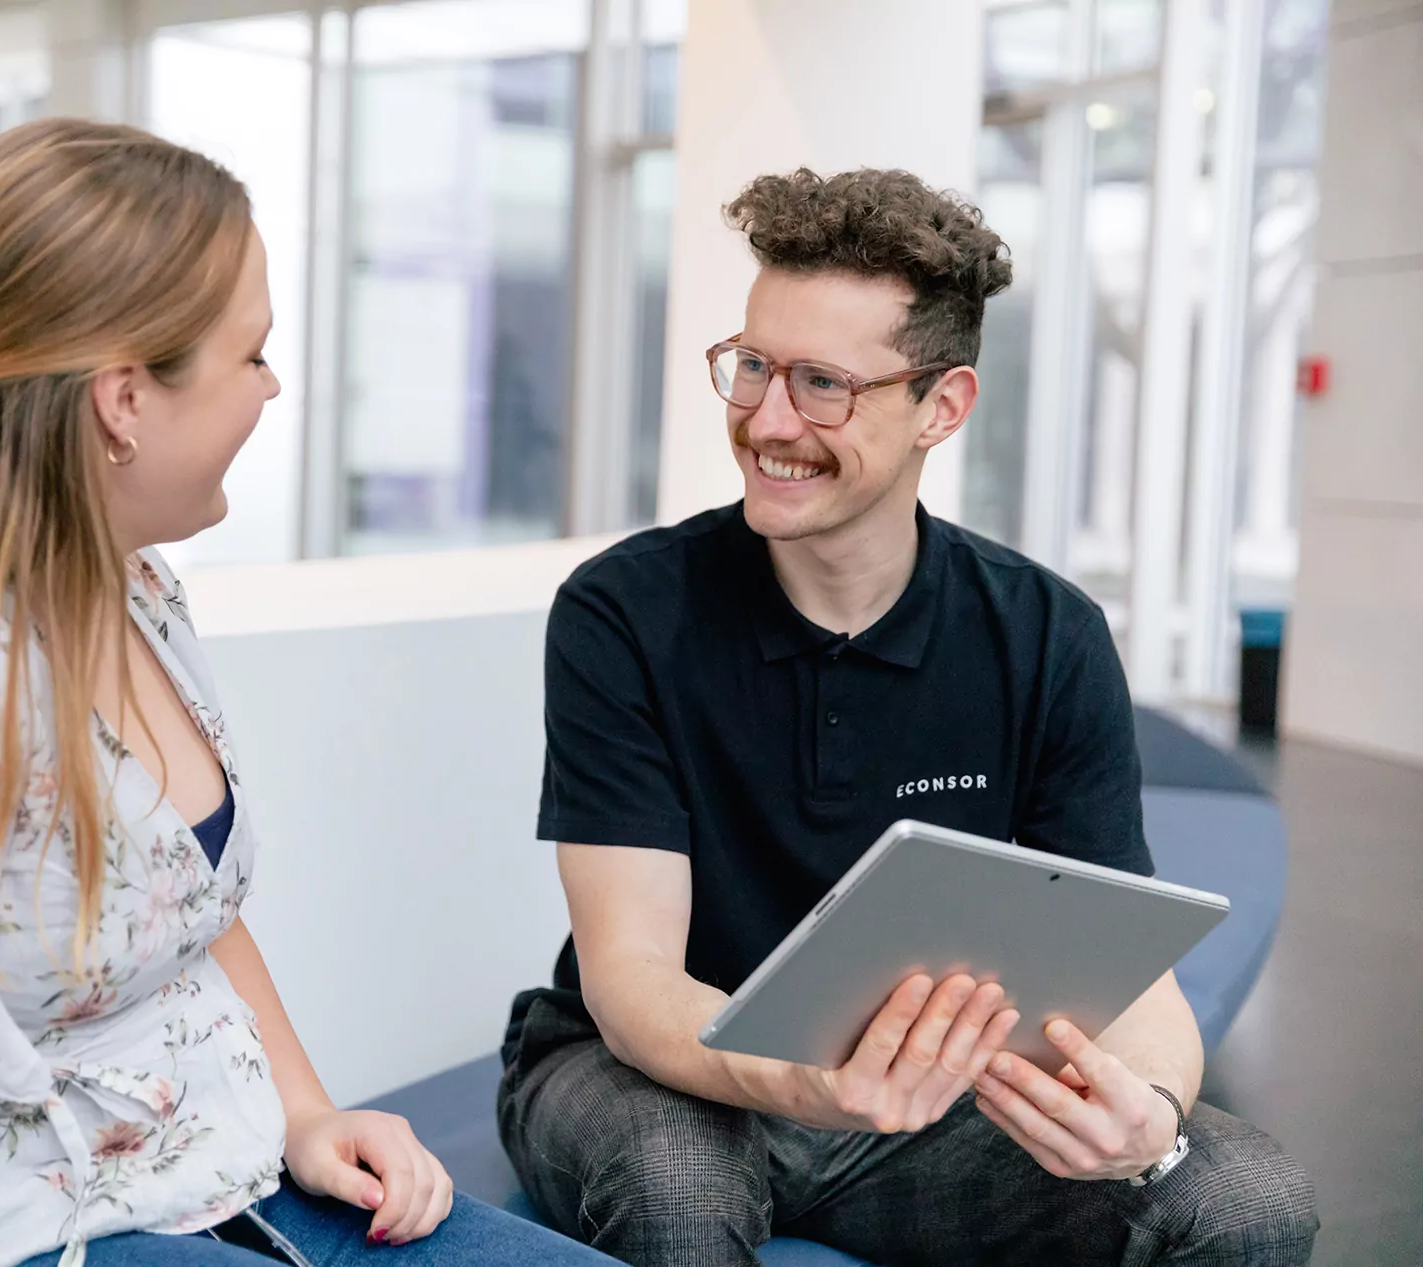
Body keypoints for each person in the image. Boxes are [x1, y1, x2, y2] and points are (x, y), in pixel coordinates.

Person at [0, 117, 612, 1267]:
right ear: (125, 400)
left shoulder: (131, 583)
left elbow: (191, 910)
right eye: (254, 355)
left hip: (229, 1167)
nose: (275, 388)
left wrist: (309, 1110)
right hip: (32, 1234)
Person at [496, 167, 1319, 1266]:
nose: (766, 419)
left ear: (942, 405)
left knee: (1247, 1197)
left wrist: (1152, 1114)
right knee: (680, 1179)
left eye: (822, 383)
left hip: (923, 1106)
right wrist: (801, 1082)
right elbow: (630, 976)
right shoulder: (624, 612)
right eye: (752, 367)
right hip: (662, 1077)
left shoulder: (1045, 634)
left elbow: (1132, 969)